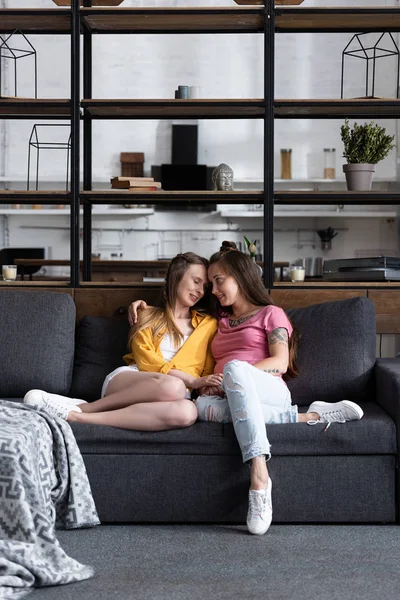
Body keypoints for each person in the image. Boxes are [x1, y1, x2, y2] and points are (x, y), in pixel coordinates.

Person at [130, 241, 364, 536]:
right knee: (197, 407)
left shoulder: (271, 314)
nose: (213, 290)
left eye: (218, 281)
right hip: (223, 398)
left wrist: (234, 377)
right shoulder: (220, 321)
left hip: (269, 389)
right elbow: (177, 310)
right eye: (210, 283)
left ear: (240, 277)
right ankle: (309, 417)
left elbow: (279, 362)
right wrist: (141, 306)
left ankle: (259, 476)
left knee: (235, 367)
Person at [23, 252, 220, 432]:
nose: (200, 291)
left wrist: (205, 386)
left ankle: (77, 417)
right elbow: (147, 362)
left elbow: (205, 371)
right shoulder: (146, 314)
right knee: (175, 386)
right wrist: (191, 381)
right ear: (177, 276)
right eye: (196, 281)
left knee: (188, 413)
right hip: (132, 380)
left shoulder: (208, 324)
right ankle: (87, 407)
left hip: (176, 395)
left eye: (205, 286)